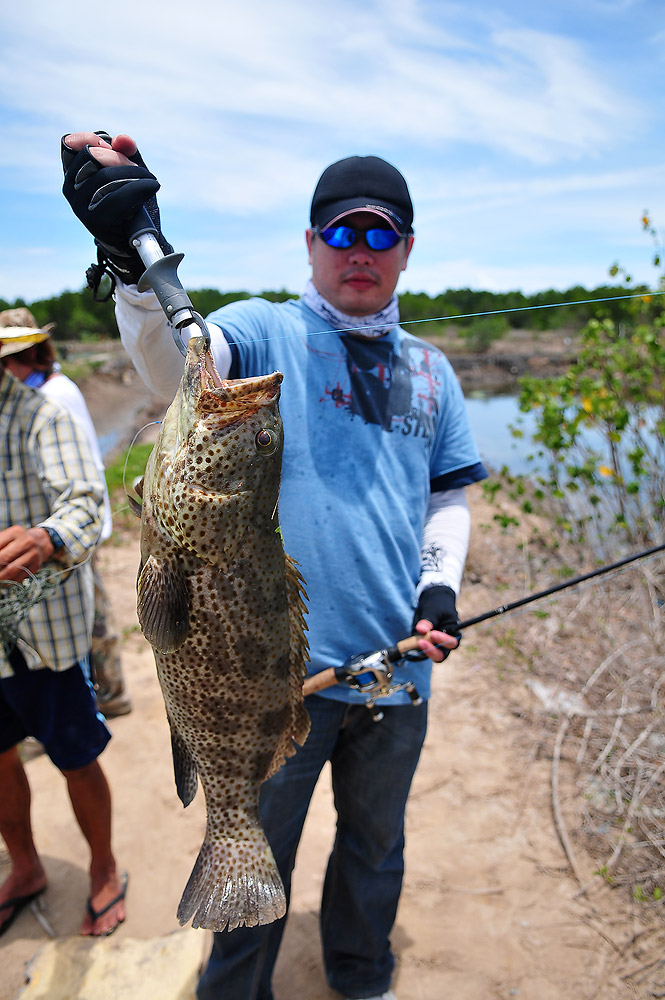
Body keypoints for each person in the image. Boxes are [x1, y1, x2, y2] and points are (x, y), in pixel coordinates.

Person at [62, 131, 487, 999]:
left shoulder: (433, 373)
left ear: (406, 248)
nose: (359, 252)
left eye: (379, 235)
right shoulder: (265, 329)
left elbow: (447, 497)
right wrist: (132, 263)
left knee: (376, 848)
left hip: (395, 675)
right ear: (310, 243)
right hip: (272, 683)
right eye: (341, 233)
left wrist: (437, 588)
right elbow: (178, 363)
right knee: (260, 851)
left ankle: (361, 975)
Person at [0, 317, 128, 938]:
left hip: (43, 627)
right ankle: (25, 867)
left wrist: (46, 537)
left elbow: (86, 502)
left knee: (76, 754)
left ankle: (104, 868)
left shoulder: (44, 411)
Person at [0, 308, 132, 718]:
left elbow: (77, 487)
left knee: (96, 613)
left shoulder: (49, 398)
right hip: (79, 525)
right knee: (97, 610)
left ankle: (109, 693)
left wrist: (52, 535)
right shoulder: (55, 385)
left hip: (75, 532)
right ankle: (109, 689)